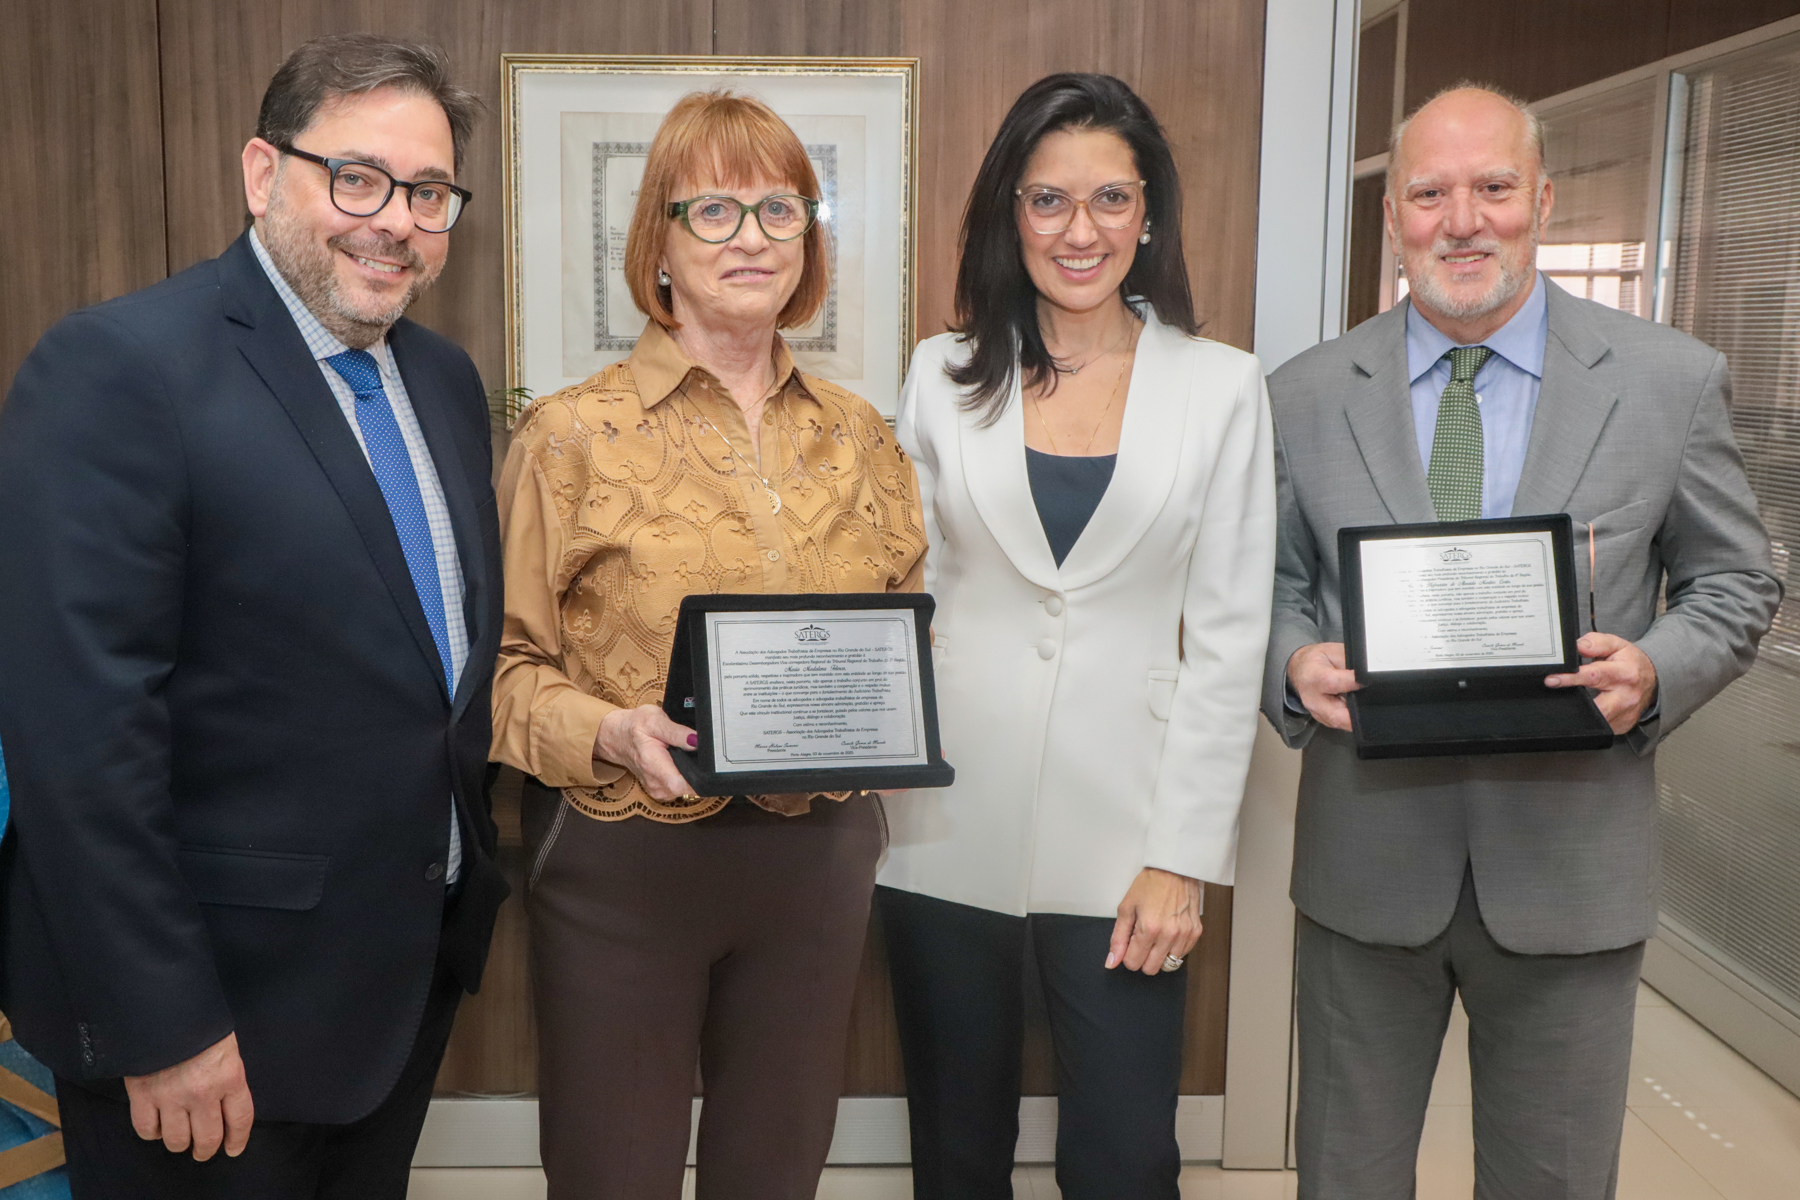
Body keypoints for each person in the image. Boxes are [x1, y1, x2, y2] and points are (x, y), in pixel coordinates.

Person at [0, 34, 508, 1199]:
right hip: (211, 1017)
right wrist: (162, 1024)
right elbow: (80, 738)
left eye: (429, 192)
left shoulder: (440, 381)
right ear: (261, 173)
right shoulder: (119, 369)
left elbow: (427, 679)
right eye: (359, 177)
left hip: (396, 985)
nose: (396, 220)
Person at [1265, 84, 1780, 1199]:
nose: (1463, 220)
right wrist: (1293, 664)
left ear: (1540, 199)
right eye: (1430, 193)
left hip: (1570, 869)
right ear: (1393, 214)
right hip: (1367, 872)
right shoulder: (1304, 395)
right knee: (1345, 1180)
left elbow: (1736, 578)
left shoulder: (1666, 380)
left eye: (1493, 188)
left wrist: (1657, 670)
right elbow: (1274, 585)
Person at [491, 89, 926, 1199]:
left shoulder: (863, 437)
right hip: (624, 863)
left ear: (810, 241)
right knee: (612, 1175)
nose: (752, 239)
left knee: (775, 1173)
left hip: (816, 865)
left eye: (781, 210)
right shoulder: (568, 437)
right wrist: (609, 731)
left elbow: (903, 633)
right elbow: (499, 675)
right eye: (715, 210)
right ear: (659, 243)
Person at [877, 73, 1275, 1199]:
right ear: (1011, 211)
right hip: (944, 817)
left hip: (1132, 835)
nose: (1080, 229)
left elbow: (1231, 634)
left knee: (1125, 1155)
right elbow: (898, 593)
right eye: (1049, 200)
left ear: (1149, 215)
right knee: (957, 1147)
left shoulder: (1222, 388)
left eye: (1110, 198)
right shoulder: (940, 376)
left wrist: (1183, 857)